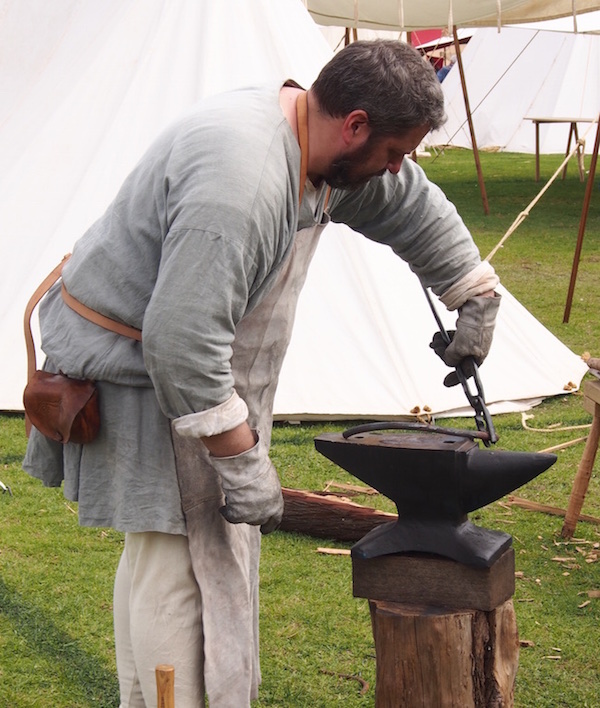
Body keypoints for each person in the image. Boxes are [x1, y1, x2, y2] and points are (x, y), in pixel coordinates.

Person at [23, 40, 500, 707]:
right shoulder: (242, 179)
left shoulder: (319, 142)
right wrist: (242, 462)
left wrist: (472, 290)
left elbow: (404, 203)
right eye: (393, 151)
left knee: (164, 556)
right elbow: (182, 343)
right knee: (175, 564)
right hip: (140, 374)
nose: (397, 168)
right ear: (355, 124)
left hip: (174, 369)